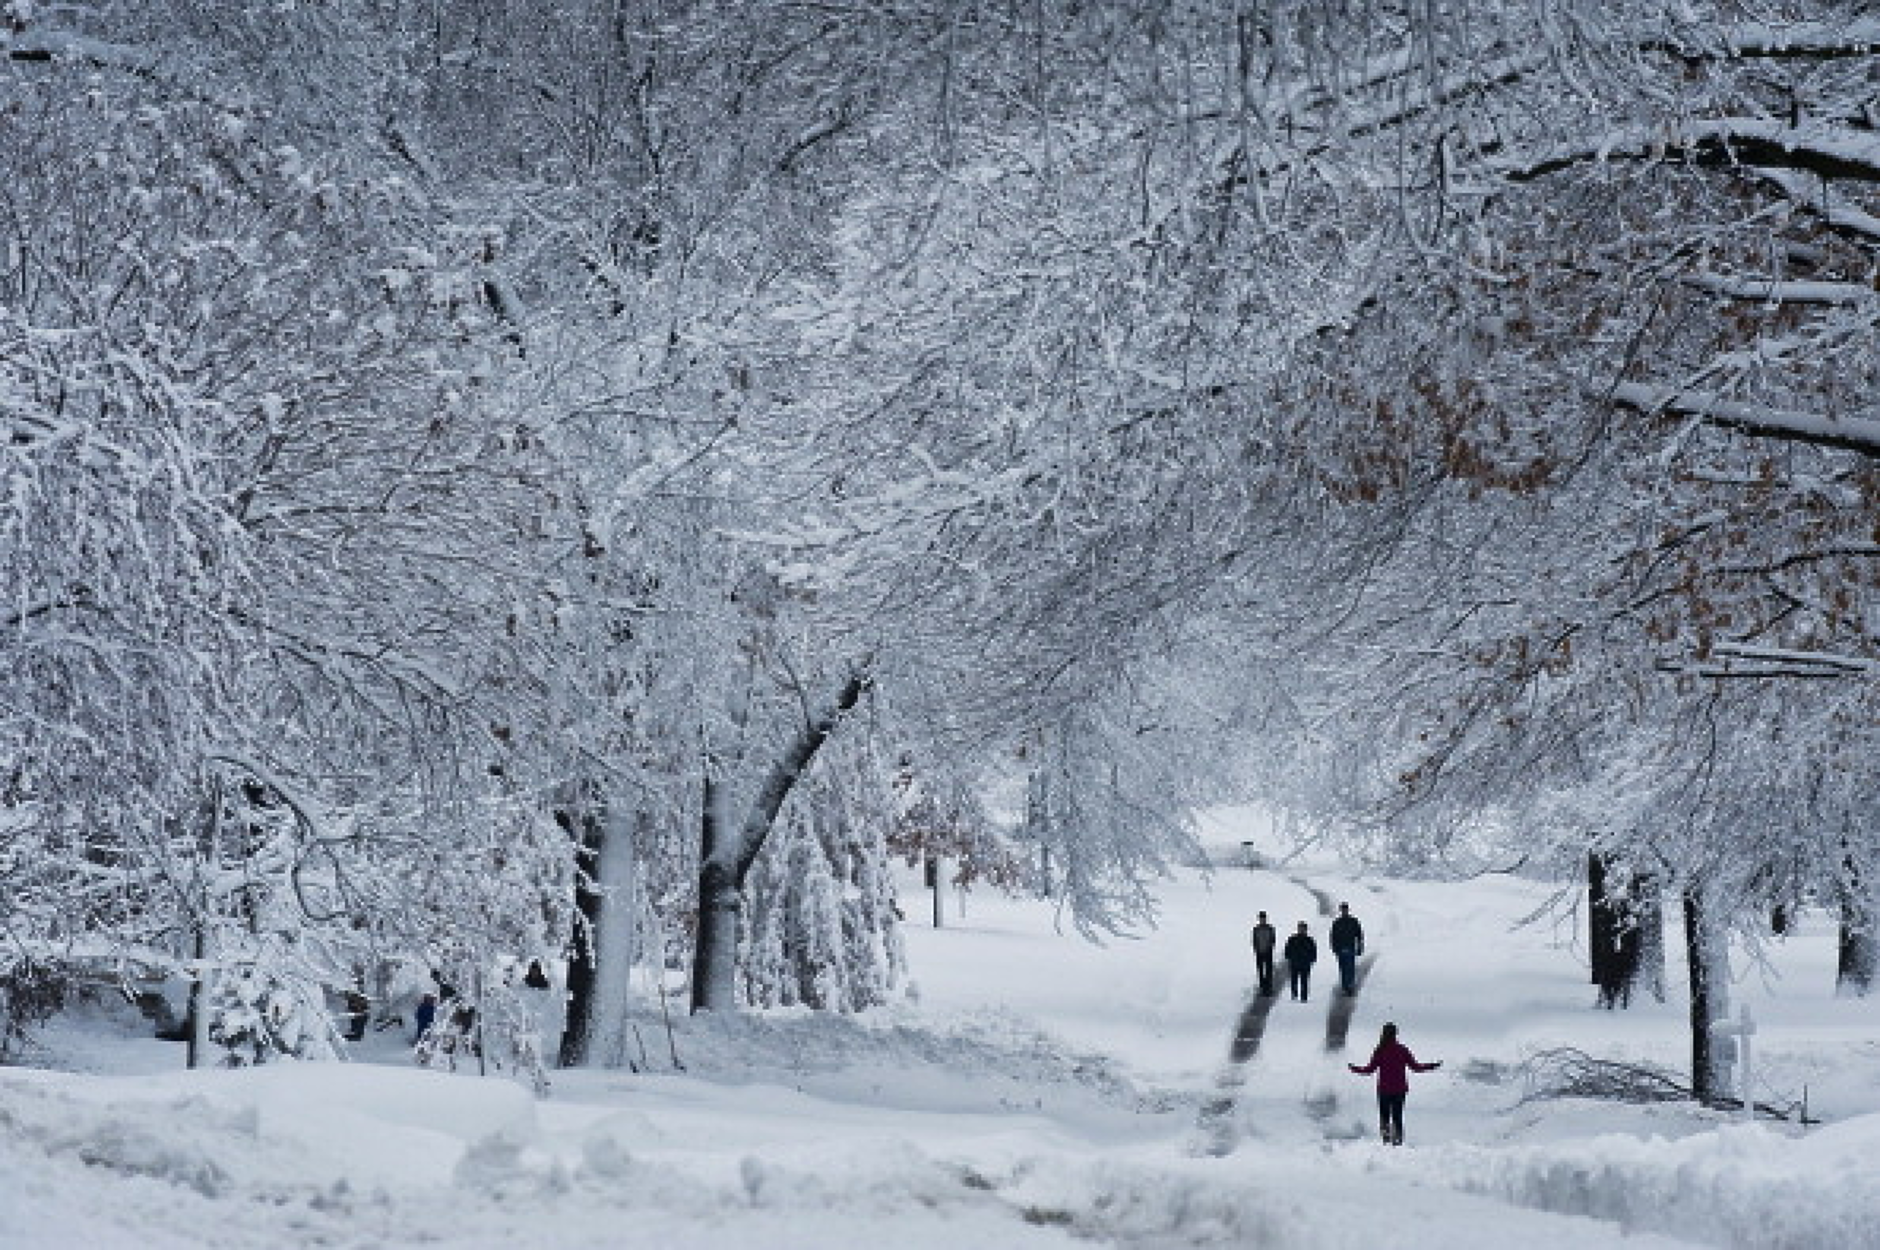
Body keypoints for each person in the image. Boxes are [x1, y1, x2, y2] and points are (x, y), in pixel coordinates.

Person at [1348, 1022, 1441, 1145]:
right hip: (1399, 1090)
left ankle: (1386, 1141)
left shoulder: (1380, 1050)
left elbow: (1369, 1070)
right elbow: (1416, 1067)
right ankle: (1398, 1142)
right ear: (1396, 1034)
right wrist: (1432, 1066)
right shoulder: (1402, 1050)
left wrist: (1354, 1069)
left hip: (1384, 1091)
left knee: (1384, 1117)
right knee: (1397, 1117)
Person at [1330, 902, 1365, 996]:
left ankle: (1349, 986)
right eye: (1342, 909)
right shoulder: (1337, 922)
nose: (1344, 911)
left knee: (1350, 968)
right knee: (1343, 969)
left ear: (1348, 910)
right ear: (1341, 910)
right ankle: (1345, 987)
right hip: (1340, 949)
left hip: (1350, 948)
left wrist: (1360, 946)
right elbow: (1333, 936)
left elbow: (1359, 934)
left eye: (1345, 909)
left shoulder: (1353, 921)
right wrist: (1334, 948)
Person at [1282, 921, 1317, 1002]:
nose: (1302, 930)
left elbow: (1313, 951)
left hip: (1305, 963)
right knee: (1294, 980)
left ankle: (1304, 996)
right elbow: (1287, 950)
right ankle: (1294, 994)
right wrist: (1289, 958)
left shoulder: (1309, 940)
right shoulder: (1292, 939)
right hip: (1294, 963)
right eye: (1300, 928)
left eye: (1303, 928)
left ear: (1306, 930)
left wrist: (1311, 960)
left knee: (1304, 981)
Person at [1250, 911, 1278, 996]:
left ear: (1266, 919)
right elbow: (1254, 940)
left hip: (1268, 952)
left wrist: (1270, 948)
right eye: (1261, 918)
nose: (1262, 920)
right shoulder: (1256, 929)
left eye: (1263, 918)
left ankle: (1268, 988)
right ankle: (1262, 988)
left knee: (1269, 971)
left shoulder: (1270, 928)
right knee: (1261, 971)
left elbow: (1273, 940)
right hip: (1259, 952)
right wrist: (1256, 949)